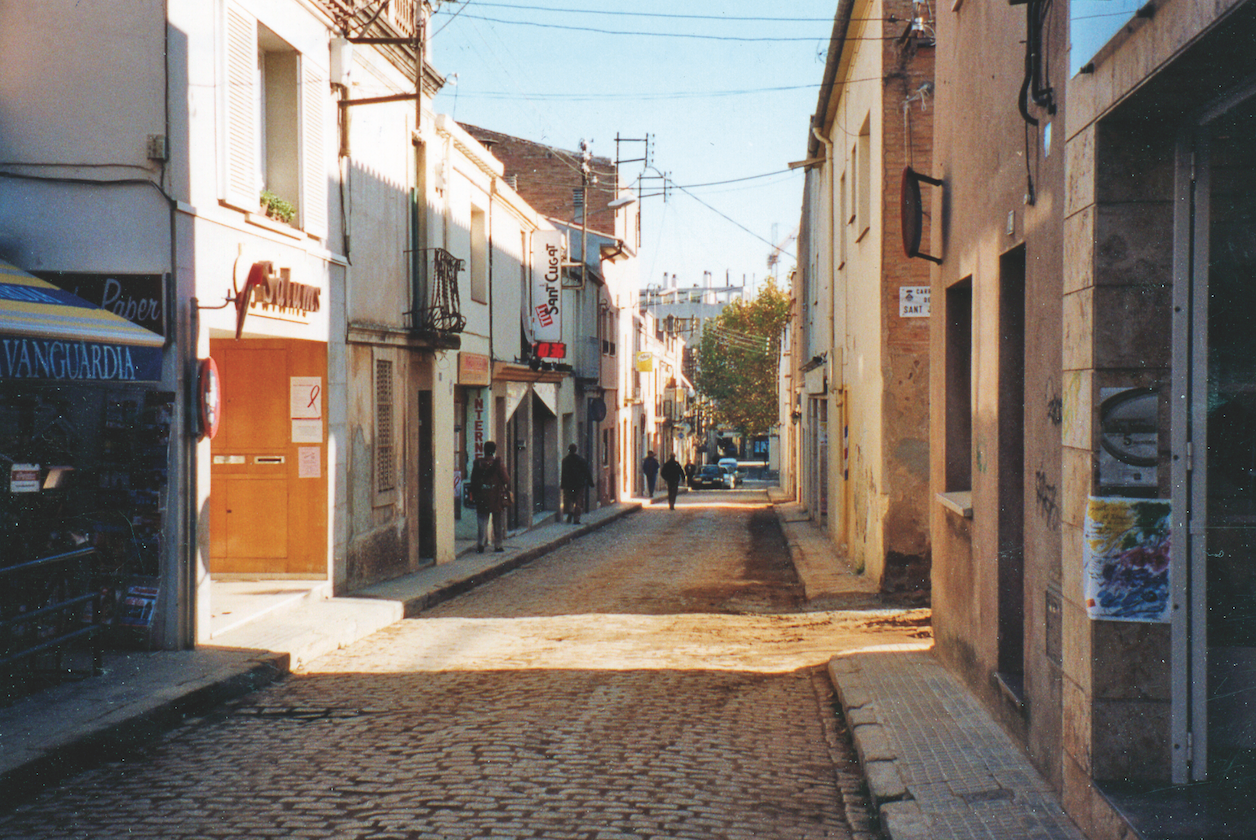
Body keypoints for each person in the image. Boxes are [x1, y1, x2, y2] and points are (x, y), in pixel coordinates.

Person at [469, 441, 511, 553]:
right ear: (494, 451)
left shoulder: (478, 464)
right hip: (496, 496)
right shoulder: (498, 464)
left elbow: (473, 480)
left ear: (484, 450)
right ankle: (498, 545)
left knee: (482, 520)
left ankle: (481, 543)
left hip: (482, 496)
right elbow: (506, 479)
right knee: (498, 521)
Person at [560, 443, 593, 524]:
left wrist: (562, 484)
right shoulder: (581, 460)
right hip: (579, 484)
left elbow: (563, 473)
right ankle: (576, 519)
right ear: (576, 450)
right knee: (578, 501)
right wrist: (590, 482)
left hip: (569, 484)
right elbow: (586, 472)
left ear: (569, 450)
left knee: (570, 499)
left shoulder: (565, 460)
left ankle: (571, 512)